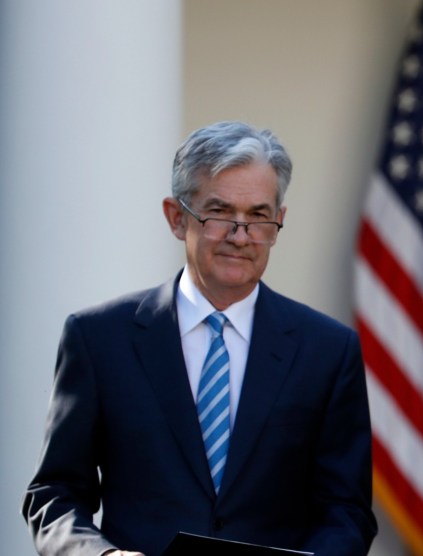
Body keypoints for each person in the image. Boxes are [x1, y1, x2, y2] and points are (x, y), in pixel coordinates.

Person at [22, 121, 377, 556]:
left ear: (279, 221)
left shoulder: (328, 349)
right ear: (176, 218)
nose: (241, 236)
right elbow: (54, 495)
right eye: (220, 213)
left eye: (258, 216)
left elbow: (347, 510)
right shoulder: (99, 339)